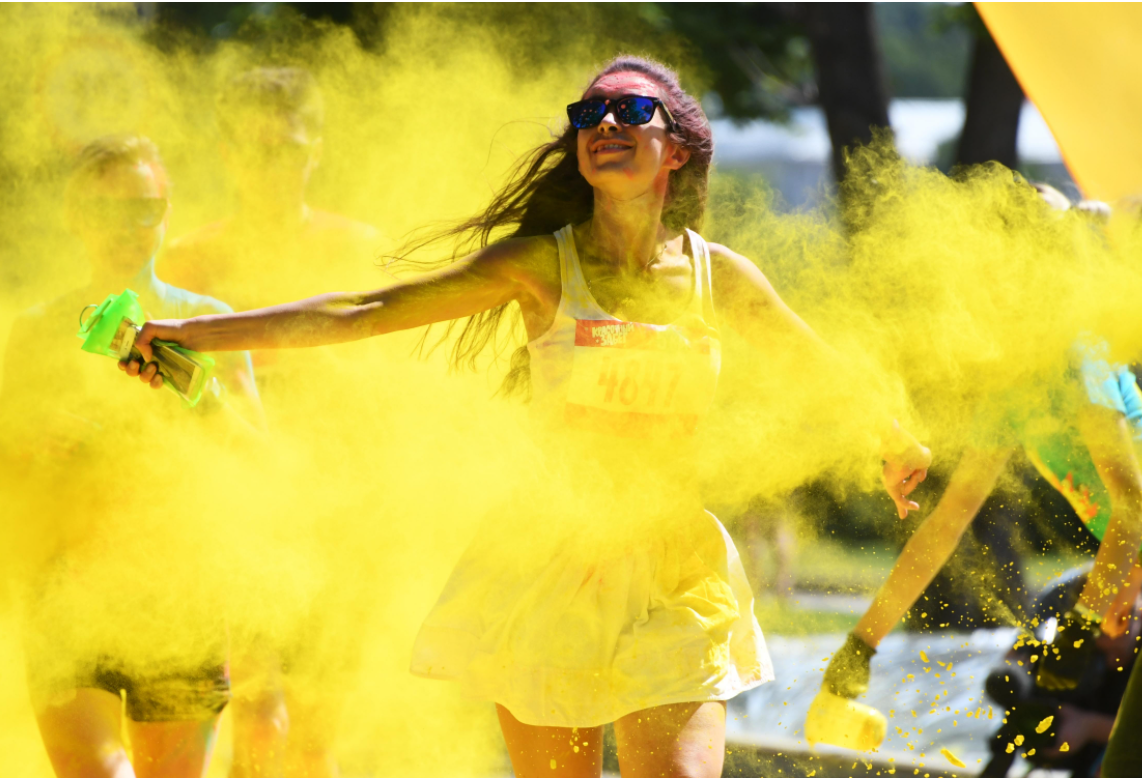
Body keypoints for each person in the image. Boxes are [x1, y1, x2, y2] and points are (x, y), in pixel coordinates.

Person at [119, 57, 931, 777]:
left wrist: (890, 437)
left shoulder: (723, 277)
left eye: (629, 110)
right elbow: (361, 312)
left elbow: (823, 369)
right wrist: (189, 334)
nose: (603, 123)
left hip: (676, 569)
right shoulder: (540, 266)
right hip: (548, 564)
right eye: (588, 114)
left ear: (677, 149)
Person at [0, 135, 261, 778]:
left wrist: (199, 396)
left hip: (182, 592)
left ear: (167, 212)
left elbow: (260, 463)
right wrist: (32, 443)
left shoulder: (206, 321)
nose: (127, 227)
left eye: (144, 208)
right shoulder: (36, 330)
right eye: (105, 209)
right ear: (74, 216)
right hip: (67, 594)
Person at [819, 189, 1142, 708]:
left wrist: (1083, 625)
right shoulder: (1012, 388)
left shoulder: (1080, 359)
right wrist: (862, 643)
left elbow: (1133, 507)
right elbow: (946, 524)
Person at [160, 66, 384, 778]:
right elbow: (166, 391)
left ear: (314, 150)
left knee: (316, 737)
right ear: (228, 154)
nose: (272, 167)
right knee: (259, 720)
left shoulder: (358, 248)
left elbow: (396, 382)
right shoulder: (189, 259)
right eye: (256, 150)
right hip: (236, 510)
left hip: (340, 509)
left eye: (286, 149)